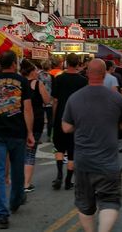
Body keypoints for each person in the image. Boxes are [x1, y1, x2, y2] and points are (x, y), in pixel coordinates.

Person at [62, 59, 122, 232]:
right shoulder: (115, 98)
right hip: (108, 162)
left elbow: (66, 127)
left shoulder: (75, 98)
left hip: (83, 161)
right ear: (105, 74)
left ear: (87, 73)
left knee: (85, 204)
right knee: (109, 200)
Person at [0, 51, 35, 230]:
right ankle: (16, 200)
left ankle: (2, 214)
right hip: (17, 132)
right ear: (13, 63)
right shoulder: (22, 81)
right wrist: (30, 132)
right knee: (17, 171)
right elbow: (27, 109)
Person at [51, 53, 88, 190]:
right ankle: (68, 179)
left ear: (66, 62)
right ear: (78, 63)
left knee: (59, 147)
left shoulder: (59, 79)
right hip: (76, 119)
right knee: (72, 150)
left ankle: (59, 174)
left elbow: (55, 100)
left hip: (61, 116)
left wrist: (54, 117)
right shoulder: (83, 81)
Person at [23, 59, 50, 193]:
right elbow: (47, 100)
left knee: (20, 151)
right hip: (36, 120)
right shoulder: (38, 84)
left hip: (20, 120)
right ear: (32, 72)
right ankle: (26, 183)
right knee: (30, 152)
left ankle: (18, 180)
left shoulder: (20, 84)